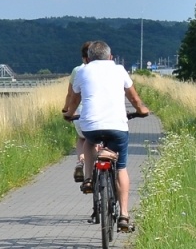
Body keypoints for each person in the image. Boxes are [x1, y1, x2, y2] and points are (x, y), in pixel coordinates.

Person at [62, 41, 150, 231]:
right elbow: (134, 98)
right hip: (117, 127)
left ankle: (88, 178)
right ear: (110, 57)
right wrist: (141, 110)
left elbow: (75, 100)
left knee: (88, 142)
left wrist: (69, 114)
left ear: (89, 57)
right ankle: (124, 215)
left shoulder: (83, 71)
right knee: (121, 168)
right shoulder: (119, 70)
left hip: (91, 126)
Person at [62, 42, 94, 200]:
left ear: (83, 57)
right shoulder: (109, 70)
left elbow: (71, 95)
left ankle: (81, 161)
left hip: (80, 113)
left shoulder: (77, 70)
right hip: (103, 116)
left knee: (82, 137)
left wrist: (66, 110)